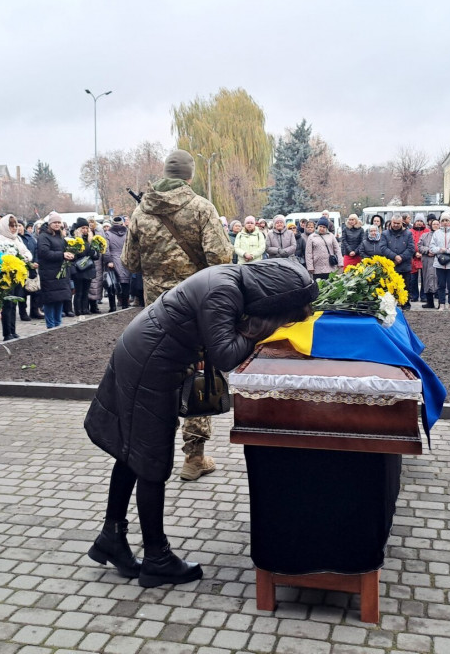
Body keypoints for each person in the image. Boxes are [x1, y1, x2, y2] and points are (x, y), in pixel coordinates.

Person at [83, 259, 318, 587]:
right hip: (150, 363)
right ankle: (157, 559)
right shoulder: (223, 290)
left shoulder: (231, 281)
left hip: (145, 353)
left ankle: (112, 537)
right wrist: (264, 327)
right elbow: (225, 354)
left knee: (130, 451)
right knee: (151, 462)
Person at [121, 149, 233, 481]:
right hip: (196, 309)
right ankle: (194, 457)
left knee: (160, 375)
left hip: (156, 313)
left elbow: (129, 262)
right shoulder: (201, 208)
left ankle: (155, 452)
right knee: (200, 374)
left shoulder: (141, 211)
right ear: (189, 176)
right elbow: (221, 257)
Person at [35, 214, 74, 328]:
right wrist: (62, 255)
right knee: (50, 301)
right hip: (49, 273)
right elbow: (44, 252)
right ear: (50, 224)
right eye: (54, 222)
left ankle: (58, 324)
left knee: (59, 299)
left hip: (60, 273)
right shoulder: (44, 236)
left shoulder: (60, 236)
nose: (57, 224)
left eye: (58, 222)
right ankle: (51, 326)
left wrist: (71, 254)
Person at [428, 213, 450, 310]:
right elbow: (432, 247)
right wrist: (440, 250)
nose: (445, 222)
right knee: (441, 285)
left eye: (446, 220)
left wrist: (447, 250)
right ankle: (441, 303)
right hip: (439, 263)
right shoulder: (436, 233)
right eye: (443, 221)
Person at [382, 217, 414, 308]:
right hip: (390, 265)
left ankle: (405, 304)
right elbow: (383, 248)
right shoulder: (385, 234)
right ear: (391, 222)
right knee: (390, 287)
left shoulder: (408, 234)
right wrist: (394, 256)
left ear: (402, 223)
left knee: (405, 286)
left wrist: (401, 257)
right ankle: (390, 305)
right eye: (394, 223)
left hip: (404, 265)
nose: (396, 225)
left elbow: (411, 248)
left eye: (398, 223)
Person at [104, 216, 132, 310]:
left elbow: (106, 249)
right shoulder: (128, 232)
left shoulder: (108, 234)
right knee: (125, 282)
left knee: (111, 283)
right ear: (122, 223)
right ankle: (125, 304)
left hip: (113, 260)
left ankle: (113, 307)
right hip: (126, 259)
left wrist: (108, 260)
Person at [303, 217, 341, 283]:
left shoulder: (331, 236)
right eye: (320, 226)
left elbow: (337, 250)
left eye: (324, 227)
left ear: (327, 228)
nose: (322, 229)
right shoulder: (311, 237)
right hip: (317, 268)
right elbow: (308, 253)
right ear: (317, 226)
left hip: (330, 267)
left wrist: (340, 262)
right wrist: (310, 267)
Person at [418, 219, 440, 308]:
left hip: (439, 260)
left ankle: (440, 303)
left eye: (437, 224)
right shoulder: (424, 235)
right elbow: (419, 246)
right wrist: (427, 251)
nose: (435, 225)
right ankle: (430, 302)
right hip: (427, 261)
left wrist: (435, 251)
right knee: (427, 281)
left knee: (439, 281)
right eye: (433, 224)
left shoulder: (443, 236)